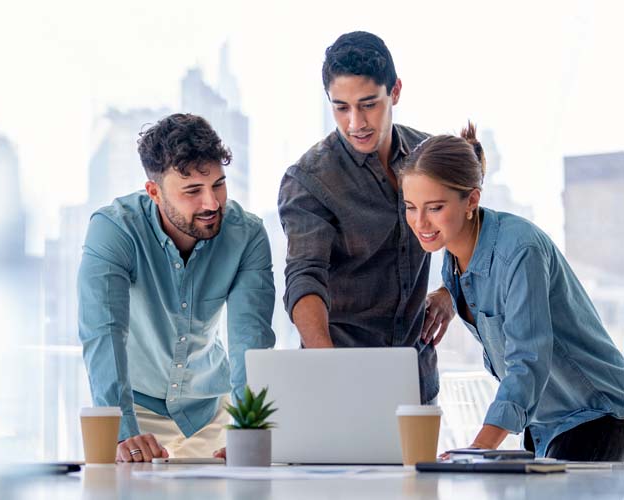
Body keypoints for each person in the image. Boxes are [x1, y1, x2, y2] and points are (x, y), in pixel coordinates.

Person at [400, 122, 624, 460]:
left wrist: (480, 447)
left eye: (434, 207)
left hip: (598, 415)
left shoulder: (521, 249)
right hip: (546, 426)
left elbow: (528, 359)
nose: (420, 222)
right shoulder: (453, 258)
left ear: (471, 199)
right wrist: (447, 292)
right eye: (410, 207)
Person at [78, 113, 275, 463]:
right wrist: (123, 433)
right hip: (136, 411)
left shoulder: (247, 236)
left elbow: (250, 338)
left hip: (210, 411)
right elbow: (104, 334)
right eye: (192, 191)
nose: (212, 203)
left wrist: (249, 429)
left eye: (218, 184)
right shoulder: (114, 230)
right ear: (154, 192)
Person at [277, 31, 454, 404]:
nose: (355, 122)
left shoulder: (432, 157)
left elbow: (470, 229)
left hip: (416, 378)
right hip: (339, 378)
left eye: (369, 104)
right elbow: (305, 276)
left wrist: (449, 291)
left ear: (396, 91)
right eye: (341, 107)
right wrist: (331, 369)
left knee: (420, 466)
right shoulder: (310, 179)